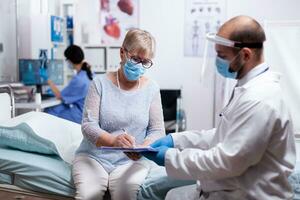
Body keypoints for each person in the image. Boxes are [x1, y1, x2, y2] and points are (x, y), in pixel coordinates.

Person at [143, 15, 296, 200]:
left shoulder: (259, 99)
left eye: (222, 56)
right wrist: (176, 140)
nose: (218, 61)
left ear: (246, 54)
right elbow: (223, 135)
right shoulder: (247, 88)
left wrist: (169, 157)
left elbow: (226, 161)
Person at [72, 29, 165, 200]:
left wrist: (143, 148)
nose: (139, 65)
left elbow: (157, 130)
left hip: (132, 162)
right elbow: (88, 125)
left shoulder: (151, 89)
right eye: (135, 59)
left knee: (125, 195)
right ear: (122, 52)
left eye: (145, 62)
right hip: (94, 157)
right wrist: (113, 141)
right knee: (88, 195)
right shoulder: (99, 84)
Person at [44, 45, 93, 124]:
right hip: (89, 114)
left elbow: (60, 96)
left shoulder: (78, 80)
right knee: (54, 110)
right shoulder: (90, 74)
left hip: (79, 115)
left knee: (48, 113)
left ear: (70, 61)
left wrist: (48, 80)